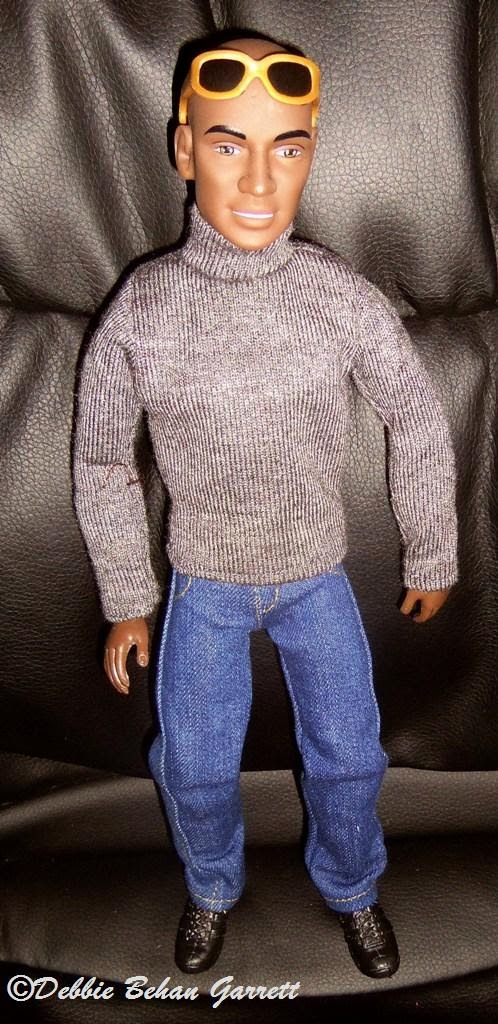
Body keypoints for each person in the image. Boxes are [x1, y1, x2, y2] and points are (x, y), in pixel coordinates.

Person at [72, 32, 458, 980]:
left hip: (315, 577)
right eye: (226, 144)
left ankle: (354, 887)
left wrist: (431, 544)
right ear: (182, 149)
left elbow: (414, 408)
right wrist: (128, 596)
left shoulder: (335, 295)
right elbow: (101, 456)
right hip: (203, 583)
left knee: (350, 754)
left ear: (312, 154)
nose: (257, 179)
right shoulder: (144, 308)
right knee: (194, 762)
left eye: (287, 148)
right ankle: (211, 884)